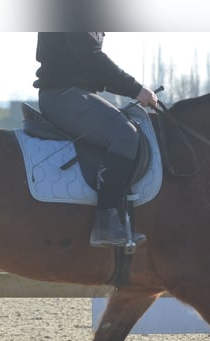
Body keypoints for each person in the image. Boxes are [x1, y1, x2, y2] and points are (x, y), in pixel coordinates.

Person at [33, 32, 159, 247]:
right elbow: (91, 58)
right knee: (125, 135)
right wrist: (136, 89)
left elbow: (90, 67)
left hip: (74, 92)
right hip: (64, 95)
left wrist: (131, 89)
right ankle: (106, 223)